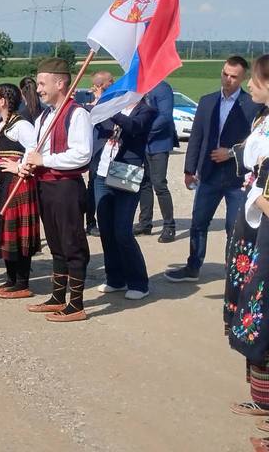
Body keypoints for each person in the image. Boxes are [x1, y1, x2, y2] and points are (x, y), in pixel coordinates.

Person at [166, 56, 262, 282]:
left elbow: (255, 142)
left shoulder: (252, 105)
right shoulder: (207, 101)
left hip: (236, 178)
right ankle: (192, 266)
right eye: (225, 74)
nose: (228, 79)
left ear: (244, 78)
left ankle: (234, 272)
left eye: (234, 76)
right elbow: (197, 137)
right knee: (199, 222)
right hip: (208, 175)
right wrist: (189, 170)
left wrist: (230, 152)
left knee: (234, 227)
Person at [221, 56, 269, 449]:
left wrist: (258, 193)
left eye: (253, 81)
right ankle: (261, 395)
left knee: (264, 309)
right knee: (250, 304)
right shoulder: (261, 119)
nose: (249, 88)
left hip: (263, 221)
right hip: (253, 227)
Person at [21, 57, 92, 322]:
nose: (38, 89)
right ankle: (57, 296)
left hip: (66, 188)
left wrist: (45, 161)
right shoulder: (45, 116)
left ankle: (76, 304)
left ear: (60, 83)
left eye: (42, 83)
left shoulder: (78, 114)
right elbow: (35, 149)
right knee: (55, 243)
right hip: (45, 186)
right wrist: (26, 164)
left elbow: (82, 154)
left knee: (72, 244)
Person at [0, 84, 39, 298]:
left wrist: (19, 166)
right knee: (1, 231)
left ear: (3, 101)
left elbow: (34, 150)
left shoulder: (21, 125)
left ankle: (21, 283)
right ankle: (11, 279)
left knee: (16, 233)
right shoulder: (0, 124)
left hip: (14, 184)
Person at [92, 100, 157, 300]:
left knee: (122, 231)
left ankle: (139, 282)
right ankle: (115, 278)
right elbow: (98, 129)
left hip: (127, 171)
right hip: (102, 173)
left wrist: (109, 111)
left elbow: (133, 127)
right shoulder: (116, 107)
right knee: (106, 228)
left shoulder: (146, 110)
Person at [134, 80, 178, 242]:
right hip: (142, 143)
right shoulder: (140, 86)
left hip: (158, 142)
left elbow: (165, 117)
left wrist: (145, 131)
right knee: (143, 182)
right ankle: (145, 223)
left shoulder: (162, 88)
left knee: (159, 183)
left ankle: (169, 226)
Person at [83, 70, 114, 237]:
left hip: (113, 148)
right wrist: (98, 98)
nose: (113, 83)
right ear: (102, 84)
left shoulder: (113, 100)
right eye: (111, 81)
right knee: (94, 185)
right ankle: (90, 221)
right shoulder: (93, 105)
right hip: (97, 149)